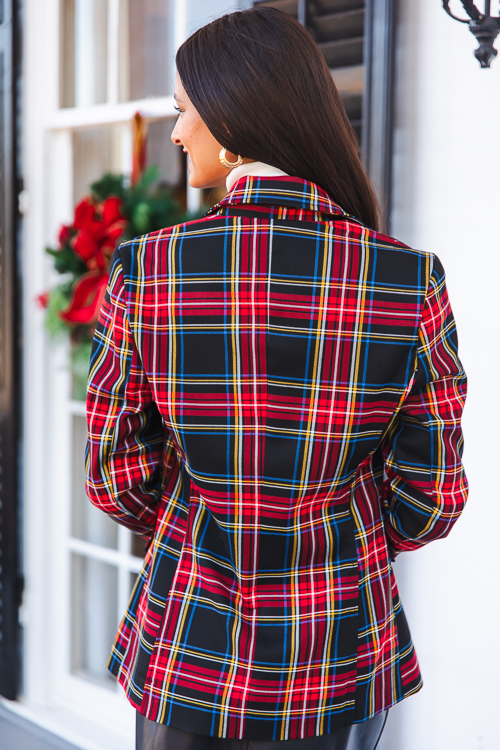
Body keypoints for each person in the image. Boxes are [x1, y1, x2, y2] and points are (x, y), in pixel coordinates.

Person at [85, 7, 468, 750]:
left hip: (188, 637)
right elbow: (429, 500)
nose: (175, 132)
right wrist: (334, 531)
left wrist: (208, 516)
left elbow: (114, 475)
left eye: (182, 111)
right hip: (336, 646)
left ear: (233, 124)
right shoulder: (408, 280)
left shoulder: (149, 269)